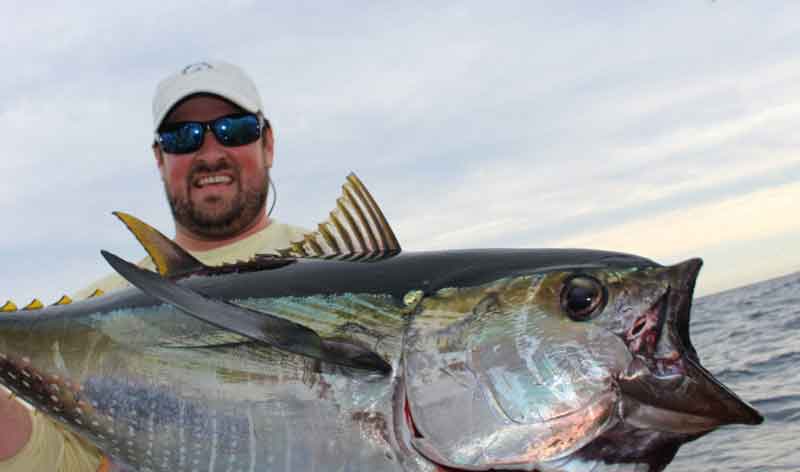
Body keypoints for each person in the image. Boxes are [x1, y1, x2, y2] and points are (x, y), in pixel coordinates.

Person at [0, 61, 309, 471]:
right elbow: (61, 463)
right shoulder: (100, 309)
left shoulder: (344, 269)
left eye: (235, 130)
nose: (211, 153)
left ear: (267, 143)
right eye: (184, 137)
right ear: (159, 157)